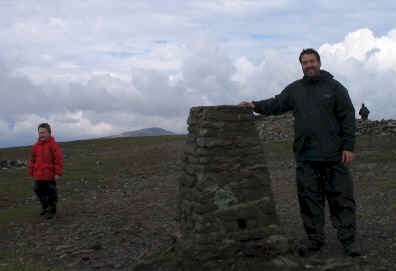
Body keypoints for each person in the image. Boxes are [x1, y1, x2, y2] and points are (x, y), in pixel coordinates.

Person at [240, 48, 360, 257]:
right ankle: (315, 241)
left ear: (319, 62)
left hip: (334, 156)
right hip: (306, 157)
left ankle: (348, 241)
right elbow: (276, 103)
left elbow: (347, 117)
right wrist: (254, 105)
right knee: (309, 202)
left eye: (312, 61)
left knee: (342, 201)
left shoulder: (335, 88)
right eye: (305, 63)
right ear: (301, 66)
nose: (309, 65)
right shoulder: (295, 90)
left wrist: (348, 146)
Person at [28, 123, 64, 219]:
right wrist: (31, 171)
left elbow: (58, 159)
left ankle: (52, 209)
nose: (41, 135)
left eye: (43, 132)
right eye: (40, 133)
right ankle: (45, 206)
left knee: (51, 192)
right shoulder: (36, 146)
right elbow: (32, 160)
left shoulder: (54, 145)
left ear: (49, 133)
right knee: (37, 189)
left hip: (50, 175)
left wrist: (58, 173)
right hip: (39, 174)